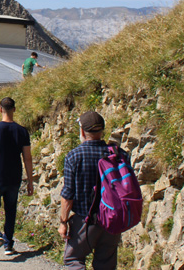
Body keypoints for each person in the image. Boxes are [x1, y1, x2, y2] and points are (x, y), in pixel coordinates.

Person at [59, 111, 126, 270]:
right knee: (106, 264)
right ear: (102, 130)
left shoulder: (74, 156)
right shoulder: (118, 153)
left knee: (73, 259)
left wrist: (63, 222)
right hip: (112, 219)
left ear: (82, 131)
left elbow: (68, 195)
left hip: (85, 219)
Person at [0, 97, 33, 257]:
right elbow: (27, 158)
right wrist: (30, 181)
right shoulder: (22, 131)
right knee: (11, 210)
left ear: (0, 109)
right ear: (14, 109)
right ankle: (8, 245)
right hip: (14, 178)